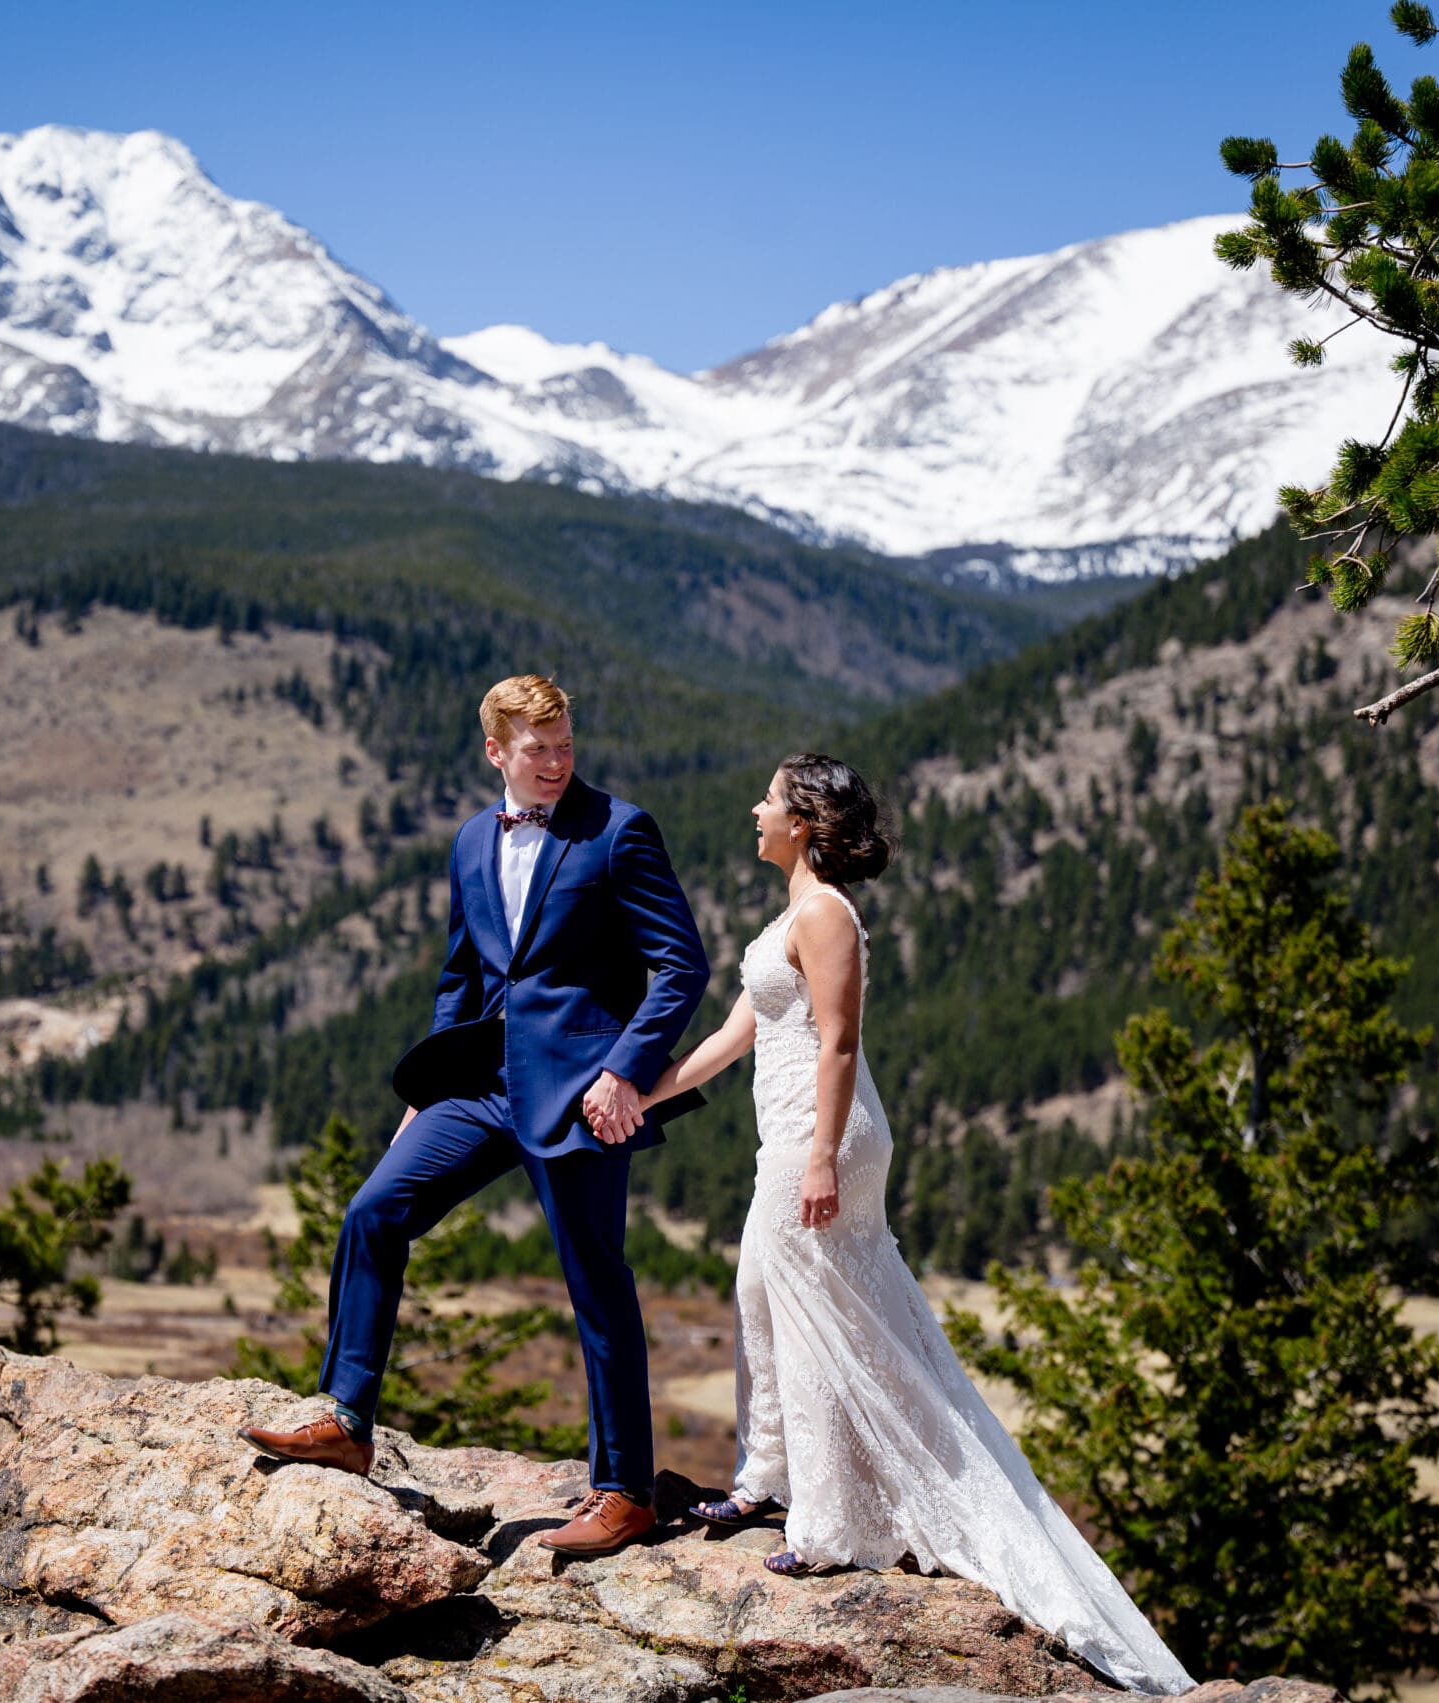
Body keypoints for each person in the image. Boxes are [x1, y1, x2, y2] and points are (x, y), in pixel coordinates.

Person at [648, 753, 1195, 1696]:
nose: (755, 808)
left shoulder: (825, 915)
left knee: (816, 1313)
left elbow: (841, 1040)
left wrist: (820, 1155)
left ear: (806, 823)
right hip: (792, 1133)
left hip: (821, 1139)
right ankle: (765, 1472)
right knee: (759, 1291)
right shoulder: (793, 912)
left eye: (770, 800)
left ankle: (824, 1527)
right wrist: (641, 1094)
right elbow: (737, 1032)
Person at [238, 674, 709, 1557]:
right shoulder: (467, 842)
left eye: (568, 744)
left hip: (580, 1094)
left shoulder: (618, 830)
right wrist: (426, 1090)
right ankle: (346, 1417)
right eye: (539, 749)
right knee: (374, 1210)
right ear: (496, 750)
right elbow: (464, 976)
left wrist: (625, 1075)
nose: (559, 763)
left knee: (594, 1280)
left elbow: (682, 965)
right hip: (481, 1086)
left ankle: (626, 1492)